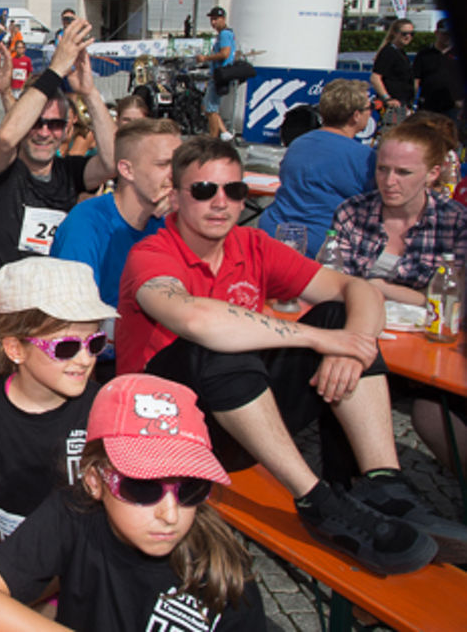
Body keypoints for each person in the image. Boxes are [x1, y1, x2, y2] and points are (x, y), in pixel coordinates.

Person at [117, 136, 457, 575]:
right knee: (221, 344)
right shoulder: (151, 254)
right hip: (167, 428)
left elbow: (359, 288)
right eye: (204, 191)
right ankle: (317, 501)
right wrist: (316, 340)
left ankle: (385, 483)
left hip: (241, 412)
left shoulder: (252, 245)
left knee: (338, 316)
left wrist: (351, 342)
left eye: (234, 191)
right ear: (177, 196)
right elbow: (197, 320)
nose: (220, 203)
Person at [0, 374, 267, 631]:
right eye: (141, 489)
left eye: (192, 490)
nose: (170, 514)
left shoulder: (226, 579)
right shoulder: (73, 511)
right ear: (93, 480)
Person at [0, 257, 111, 564]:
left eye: (94, 343)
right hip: (14, 567)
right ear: (15, 349)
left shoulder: (107, 408)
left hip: (89, 565)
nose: (84, 359)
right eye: (66, 347)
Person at [0, 17, 115, 272]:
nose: (44, 132)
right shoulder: (2, 171)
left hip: (52, 300)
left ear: (67, 129)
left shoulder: (70, 172)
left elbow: (112, 162)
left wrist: (89, 91)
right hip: (6, 303)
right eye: (36, 123)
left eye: (54, 124)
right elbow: (7, 138)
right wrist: (55, 70)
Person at [51, 118, 181, 369]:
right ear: (127, 170)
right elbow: (73, 317)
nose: (175, 174)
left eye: (179, 164)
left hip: (153, 357)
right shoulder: (87, 223)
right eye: (163, 164)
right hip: (98, 362)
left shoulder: (172, 220)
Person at [329, 120, 467, 305]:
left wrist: (378, 286)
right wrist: (419, 297)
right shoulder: (352, 213)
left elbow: (451, 300)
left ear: (432, 174)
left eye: (403, 172)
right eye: (382, 169)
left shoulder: (454, 222)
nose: (389, 181)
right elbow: (333, 283)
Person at [259, 78, 376, 256]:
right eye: (370, 108)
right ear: (356, 115)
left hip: (274, 230)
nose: (372, 113)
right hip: (321, 244)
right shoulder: (364, 157)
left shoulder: (298, 144)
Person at [197, 6, 236, 140]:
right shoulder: (225, 34)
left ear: (223, 19)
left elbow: (225, 54)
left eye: (216, 19)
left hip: (220, 75)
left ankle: (213, 138)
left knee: (211, 109)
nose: (213, 22)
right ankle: (225, 133)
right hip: (218, 74)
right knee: (207, 106)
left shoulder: (225, 34)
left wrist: (206, 58)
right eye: (211, 20)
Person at [413, 18, 460, 117]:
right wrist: (412, 100)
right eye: (445, 34)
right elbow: (416, 80)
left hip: (453, 106)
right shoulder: (424, 54)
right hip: (428, 105)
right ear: (436, 33)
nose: (448, 37)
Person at [370, 18, 416, 110]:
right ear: (395, 33)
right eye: (404, 34)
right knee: (392, 124)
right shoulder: (389, 52)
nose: (408, 36)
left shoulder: (400, 52)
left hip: (403, 103)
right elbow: (375, 78)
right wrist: (387, 98)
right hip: (393, 106)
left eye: (411, 34)